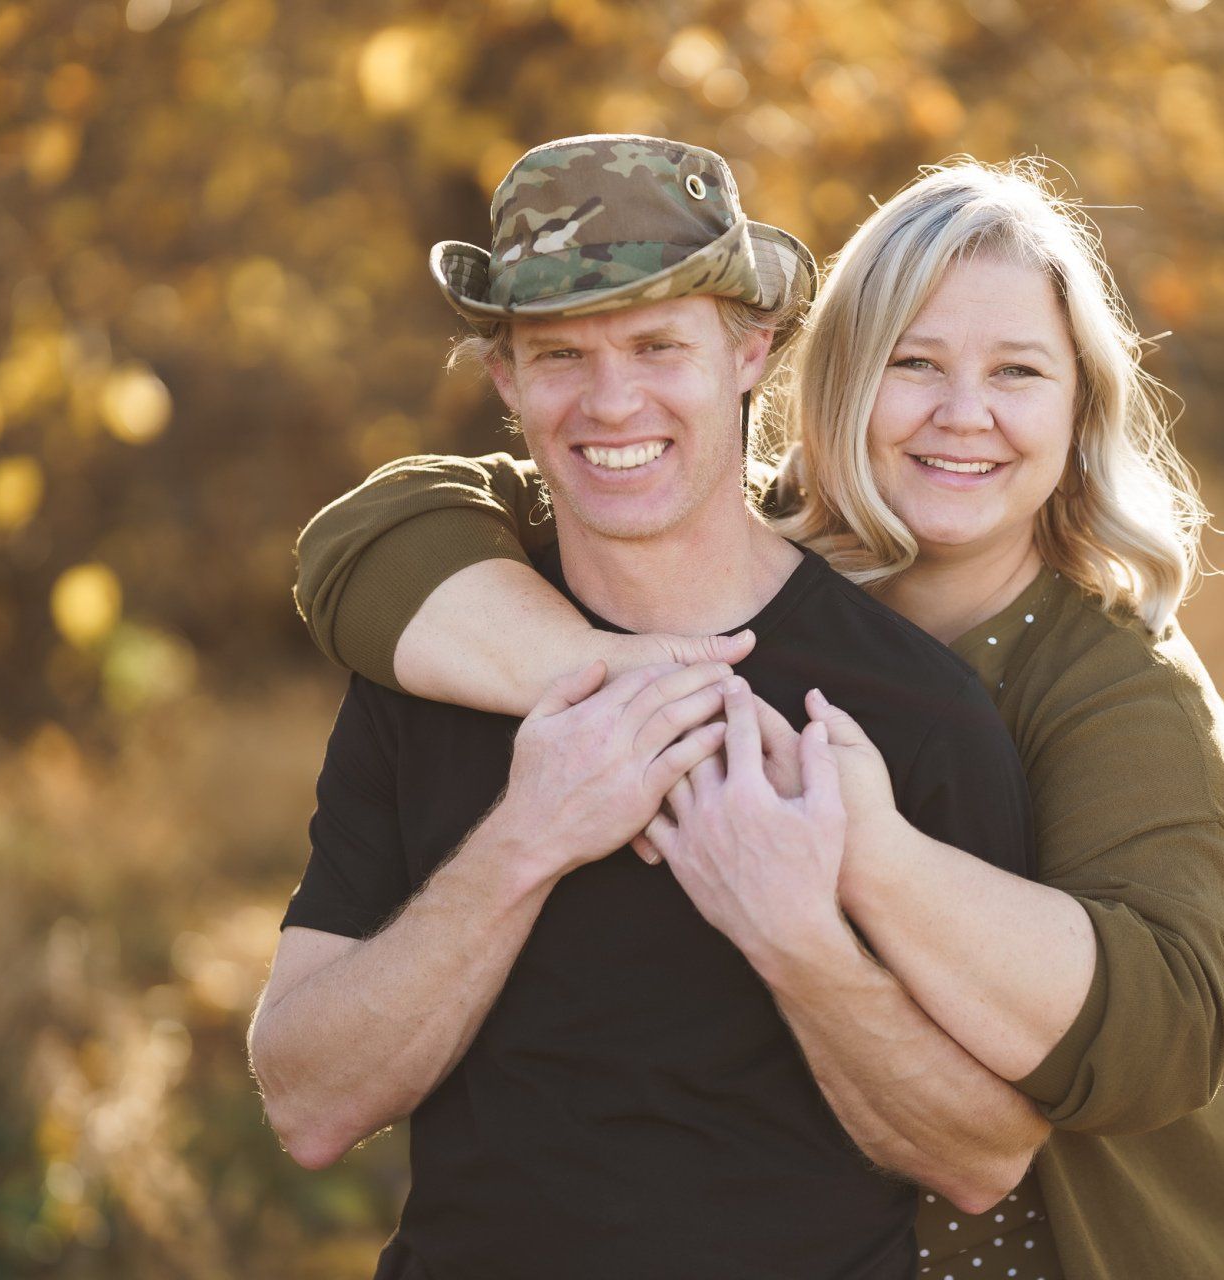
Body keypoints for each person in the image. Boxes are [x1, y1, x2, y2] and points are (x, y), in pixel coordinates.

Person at [293, 156, 1224, 1278]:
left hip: (1079, 1250)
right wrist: (621, 696)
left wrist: (853, 864)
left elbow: (1156, 1043)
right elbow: (375, 535)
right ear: (831, 381)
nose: (961, 414)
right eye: (912, 363)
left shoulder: (1098, 688)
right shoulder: (667, 525)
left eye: (1017, 371)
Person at [248, 134, 1049, 1280]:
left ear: (749, 352)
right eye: (560, 354)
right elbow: (306, 1100)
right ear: (506, 381)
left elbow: (984, 1155)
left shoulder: (907, 705)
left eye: (659, 343)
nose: (611, 399)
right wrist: (527, 840)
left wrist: (794, 938)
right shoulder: (434, 671)